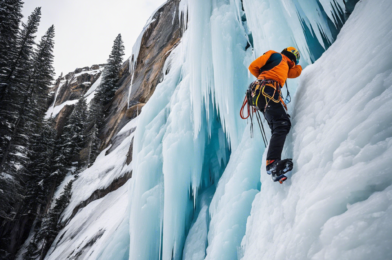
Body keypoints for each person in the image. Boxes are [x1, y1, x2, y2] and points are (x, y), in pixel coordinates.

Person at [248, 47, 302, 183]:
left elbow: (295, 73)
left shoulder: (283, 67)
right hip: (266, 90)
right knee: (281, 124)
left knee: (280, 125)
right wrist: (264, 78)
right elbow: (253, 67)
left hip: (262, 94)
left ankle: (274, 166)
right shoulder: (276, 56)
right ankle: (272, 163)